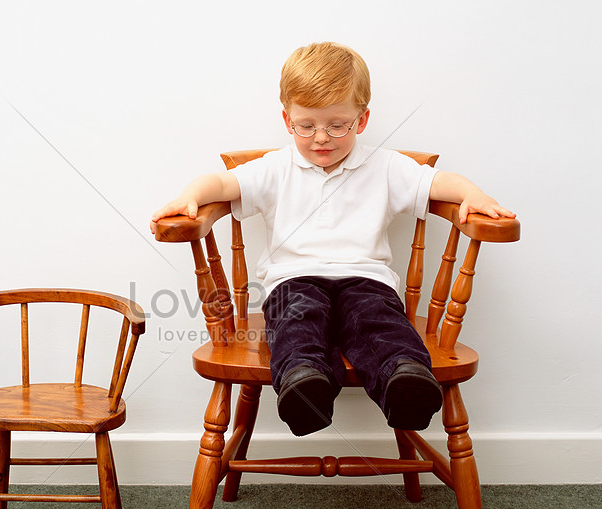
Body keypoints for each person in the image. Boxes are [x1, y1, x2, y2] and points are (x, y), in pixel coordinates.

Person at [150, 42, 515, 437]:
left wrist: (474, 195)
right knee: (297, 319)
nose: (320, 138)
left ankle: (404, 381)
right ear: (288, 120)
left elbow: (440, 183)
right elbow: (222, 183)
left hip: (366, 279)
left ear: (362, 119)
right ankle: (304, 382)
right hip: (294, 280)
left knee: (378, 320)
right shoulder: (276, 168)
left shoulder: (384, 166)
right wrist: (190, 196)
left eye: (337, 125)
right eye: (306, 126)